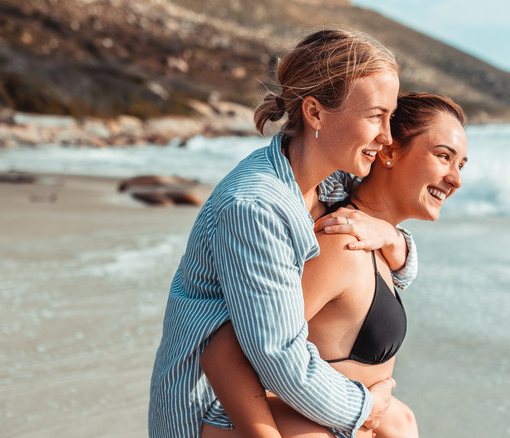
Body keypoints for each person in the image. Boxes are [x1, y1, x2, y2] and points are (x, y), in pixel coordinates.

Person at [149, 28, 420, 438]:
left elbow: (379, 275)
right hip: (210, 407)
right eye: (374, 116)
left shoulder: (330, 185)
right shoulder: (256, 207)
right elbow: (278, 355)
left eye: (390, 117)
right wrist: (365, 408)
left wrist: (394, 239)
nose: (386, 137)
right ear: (315, 113)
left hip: (266, 392)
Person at [200, 92, 469, 438]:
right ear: (387, 150)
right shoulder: (341, 241)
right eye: (443, 156)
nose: (456, 179)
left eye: (460, 164)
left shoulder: (374, 240)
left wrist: (391, 236)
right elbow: (226, 350)